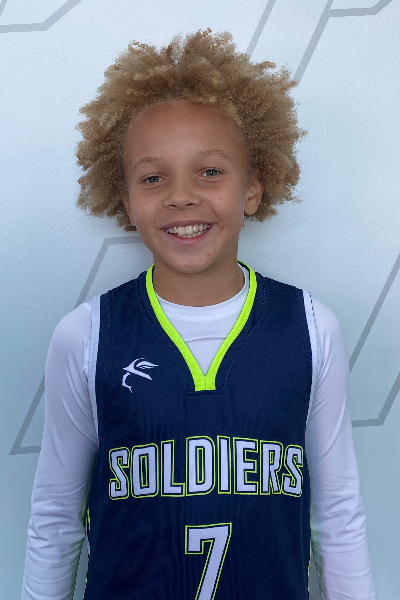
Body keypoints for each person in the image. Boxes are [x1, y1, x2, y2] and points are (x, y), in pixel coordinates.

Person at [22, 29, 376, 600]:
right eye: (153, 177)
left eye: (210, 171)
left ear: (253, 189)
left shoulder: (311, 328)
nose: (181, 196)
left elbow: (336, 514)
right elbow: (56, 518)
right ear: (126, 198)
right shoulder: (86, 335)